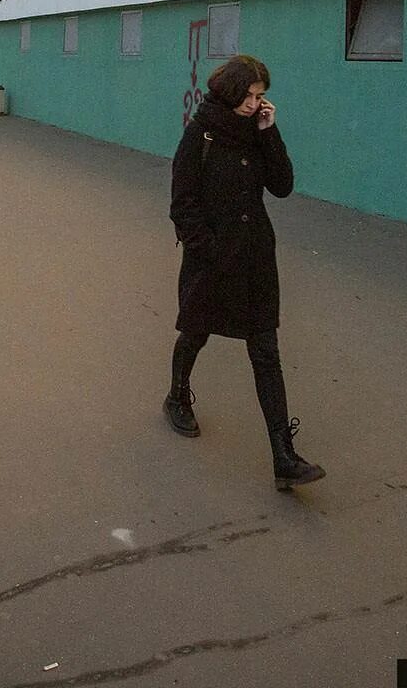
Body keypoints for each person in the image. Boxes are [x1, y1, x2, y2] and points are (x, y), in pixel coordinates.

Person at [165, 54, 323, 491]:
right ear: (232, 92)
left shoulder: (258, 133)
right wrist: (205, 250)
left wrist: (271, 134)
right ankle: (177, 396)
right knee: (196, 332)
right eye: (251, 96)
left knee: (265, 351)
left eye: (261, 97)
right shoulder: (201, 134)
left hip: (255, 257)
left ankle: (283, 455)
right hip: (213, 259)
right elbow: (182, 202)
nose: (257, 104)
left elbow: (283, 186)